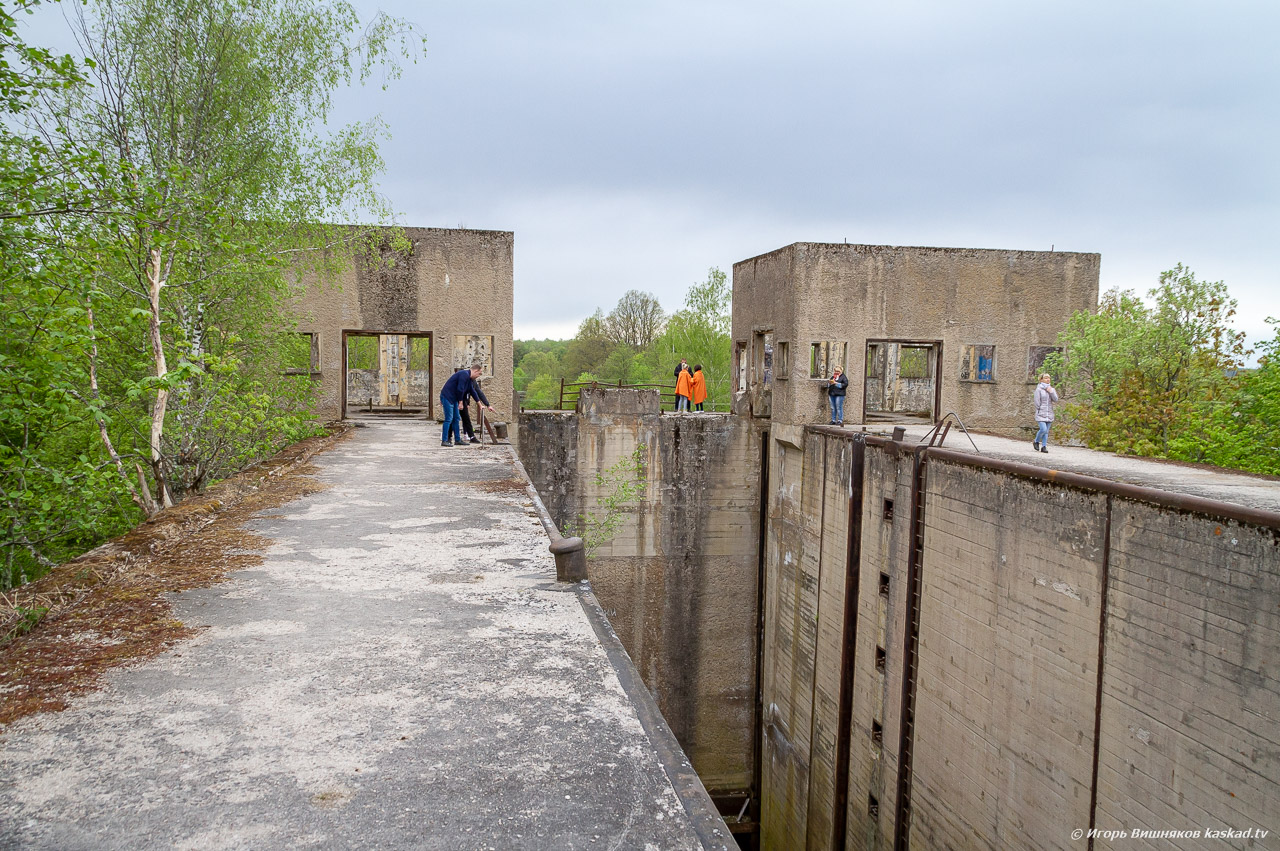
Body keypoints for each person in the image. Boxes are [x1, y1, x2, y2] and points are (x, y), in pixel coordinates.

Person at [440, 363, 493, 447]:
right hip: (447, 396)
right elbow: (460, 389)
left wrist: (480, 405)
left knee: (456, 418)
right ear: (475, 371)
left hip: (454, 398)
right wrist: (461, 402)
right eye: (479, 374)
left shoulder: (469, 379)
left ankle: (457, 439)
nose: (478, 376)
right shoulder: (464, 375)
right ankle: (444, 440)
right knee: (449, 419)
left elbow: (473, 392)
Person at [1033, 373, 1059, 453]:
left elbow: (1056, 399)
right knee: (1043, 429)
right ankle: (1036, 441)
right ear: (1041, 380)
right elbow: (1037, 402)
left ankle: (1044, 446)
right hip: (1041, 413)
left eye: (1049, 378)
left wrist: (1051, 391)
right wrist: (1039, 409)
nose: (1048, 379)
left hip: (1049, 413)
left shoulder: (1051, 389)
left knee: (1046, 431)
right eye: (1046, 378)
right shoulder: (1039, 389)